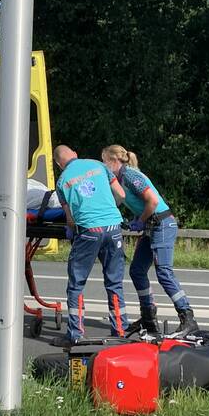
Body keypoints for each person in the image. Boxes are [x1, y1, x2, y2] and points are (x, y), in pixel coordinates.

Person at [101, 145, 199, 337]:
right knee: (137, 271)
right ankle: (148, 318)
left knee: (164, 272)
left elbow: (152, 201)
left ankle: (187, 317)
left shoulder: (130, 175)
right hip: (151, 226)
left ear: (114, 160)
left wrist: (140, 221)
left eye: (104, 162)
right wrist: (136, 220)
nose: (104, 166)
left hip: (162, 224)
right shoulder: (120, 180)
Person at [53, 144, 130, 344]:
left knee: (76, 284)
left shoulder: (62, 181)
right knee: (114, 282)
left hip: (89, 231)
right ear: (75, 154)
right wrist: (108, 209)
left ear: (59, 164)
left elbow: (70, 219)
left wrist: (72, 230)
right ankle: (120, 331)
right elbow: (121, 194)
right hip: (113, 227)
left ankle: (76, 334)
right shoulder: (98, 165)